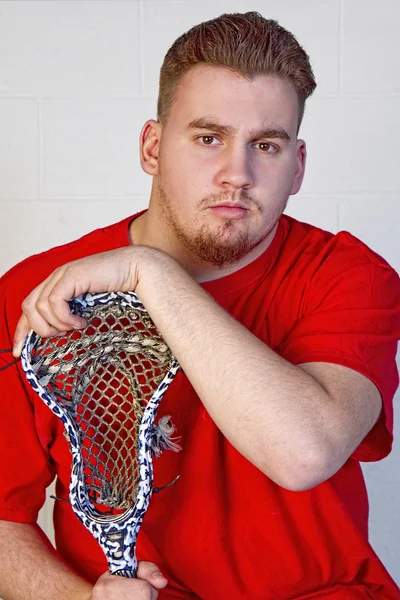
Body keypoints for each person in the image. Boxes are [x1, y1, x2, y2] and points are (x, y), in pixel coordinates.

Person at [0, 10, 399, 600]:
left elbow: (303, 452)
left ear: (298, 167)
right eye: (208, 137)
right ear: (153, 146)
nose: (236, 174)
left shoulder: (348, 276)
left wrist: (150, 273)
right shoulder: (34, 292)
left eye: (266, 144)